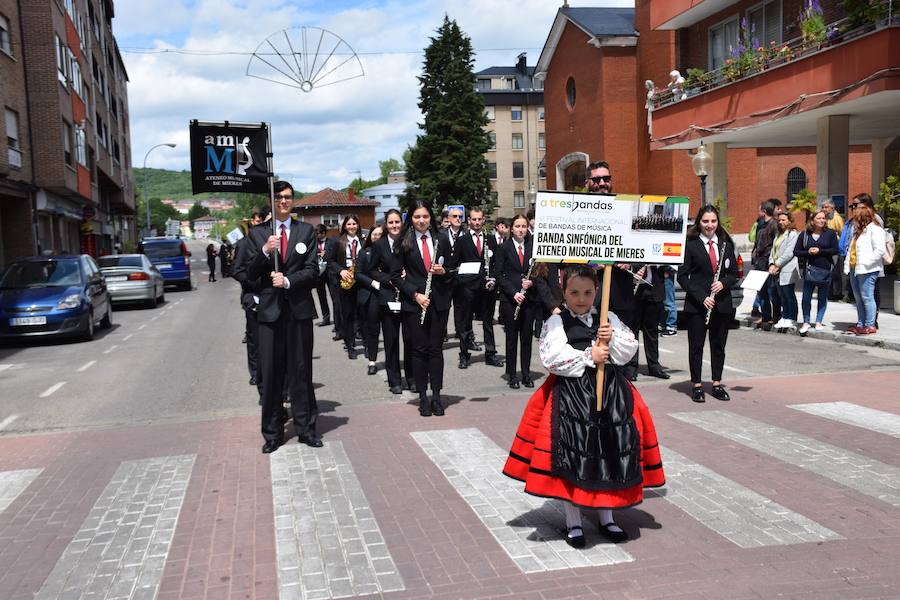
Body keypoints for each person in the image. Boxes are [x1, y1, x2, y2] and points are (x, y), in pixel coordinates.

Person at [502, 265, 665, 546]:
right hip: (572, 396)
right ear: (564, 292)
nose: (581, 298)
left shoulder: (608, 318)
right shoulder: (557, 321)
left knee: (608, 453)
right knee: (574, 455)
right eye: (574, 292)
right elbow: (552, 358)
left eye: (588, 292)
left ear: (597, 293)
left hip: (610, 396)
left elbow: (628, 350)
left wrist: (611, 339)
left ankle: (607, 518)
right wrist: (591, 354)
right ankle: (574, 522)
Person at [245, 181, 321, 453]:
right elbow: (249, 274)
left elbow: (313, 271)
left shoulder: (305, 231)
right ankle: (273, 433)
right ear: (272, 200)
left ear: (293, 201)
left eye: (288, 197)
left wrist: (288, 281)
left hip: (298, 311)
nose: (284, 201)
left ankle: (306, 428)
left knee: (301, 372)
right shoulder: (257, 234)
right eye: (279, 197)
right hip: (269, 313)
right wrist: (265, 251)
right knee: (272, 374)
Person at [392, 200, 456, 416]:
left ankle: (437, 396)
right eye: (417, 217)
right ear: (411, 218)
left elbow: (453, 269)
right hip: (415, 303)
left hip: (438, 302)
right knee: (419, 352)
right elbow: (394, 275)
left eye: (425, 217)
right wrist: (415, 294)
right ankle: (422, 397)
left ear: (431, 218)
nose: (421, 221)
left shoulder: (442, 239)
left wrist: (443, 271)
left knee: (436, 350)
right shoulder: (404, 242)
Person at [677, 205, 739, 403]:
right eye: (705, 221)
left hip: (721, 304)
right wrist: (701, 296)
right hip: (698, 305)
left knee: (718, 345)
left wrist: (724, 283)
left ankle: (717, 383)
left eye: (713, 221)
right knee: (696, 346)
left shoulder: (725, 244)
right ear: (699, 223)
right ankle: (696, 384)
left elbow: (733, 274)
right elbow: (682, 276)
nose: (709, 225)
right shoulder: (691, 244)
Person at [366, 209, 406, 394]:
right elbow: (372, 270)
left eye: (397, 222)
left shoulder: (409, 241)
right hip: (388, 296)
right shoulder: (379, 245)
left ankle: (412, 378)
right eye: (391, 223)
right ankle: (394, 380)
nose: (394, 226)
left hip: (408, 296)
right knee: (391, 341)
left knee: (411, 340)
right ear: (386, 225)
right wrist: (388, 279)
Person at [497, 214, 537, 389]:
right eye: (517, 226)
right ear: (511, 228)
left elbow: (540, 271)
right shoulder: (504, 248)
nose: (521, 229)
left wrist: (532, 281)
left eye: (524, 226)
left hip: (529, 300)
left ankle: (526, 374)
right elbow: (499, 274)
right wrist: (513, 292)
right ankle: (512, 375)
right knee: (512, 338)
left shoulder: (533, 247)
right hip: (510, 300)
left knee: (527, 338)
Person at [793, 210, 839, 334]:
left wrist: (820, 251)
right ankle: (806, 321)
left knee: (822, 297)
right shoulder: (804, 234)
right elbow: (796, 252)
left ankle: (819, 321)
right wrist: (808, 252)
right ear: (812, 220)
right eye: (819, 218)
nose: (822, 220)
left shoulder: (830, 233)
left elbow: (835, 249)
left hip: (825, 270)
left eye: (823, 218)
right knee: (806, 298)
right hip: (809, 270)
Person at [232, 211, 264, 391]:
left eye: (262, 221)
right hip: (253, 298)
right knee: (254, 340)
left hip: (273, 298)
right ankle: (255, 373)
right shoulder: (244, 243)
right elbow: (236, 271)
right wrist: (255, 282)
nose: (259, 223)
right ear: (252, 222)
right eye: (257, 221)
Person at [844, 204, 885, 335]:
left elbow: (880, 251)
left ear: (862, 218)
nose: (854, 221)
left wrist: (866, 263)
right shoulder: (858, 232)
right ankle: (861, 323)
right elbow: (851, 250)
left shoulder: (876, 230)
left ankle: (870, 324)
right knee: (858, 298)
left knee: (867, 296)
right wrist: (847, 266)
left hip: (867, 269)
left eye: (856, 218)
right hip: (854, 268)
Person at [625, 264, 671, 380]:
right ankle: (631, 366)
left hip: (653, 288)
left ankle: (654, 365)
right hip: (633, 286)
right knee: (632, 331)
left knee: (652, 331)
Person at [327, 215, 363, 359]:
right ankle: (350, 345)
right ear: (344, 226)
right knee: (347, 314)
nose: (352, 226)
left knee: (361, 313)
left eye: (354, 223)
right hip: (345, 280)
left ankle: (366, 342)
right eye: (349, 224)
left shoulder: (363, 240)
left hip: (361, 279)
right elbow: (330, 261)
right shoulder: (337, 241)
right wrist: (341, 271)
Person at [355, 225, 385, 375]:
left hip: (388, 293)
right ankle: (372, 361)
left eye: (380, 234)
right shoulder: (364, 252)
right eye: (374, 234)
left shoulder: (390, 251)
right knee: (373, 330)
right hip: (370, 294)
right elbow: (358, 274)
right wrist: (373, 283)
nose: (377, 236)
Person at [769, 210, 801, 330]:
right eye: (780, 220)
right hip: (777, 269)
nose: (781, 222)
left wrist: (776, 264)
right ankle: (785, 316)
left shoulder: (792, 234)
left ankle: (791, 318)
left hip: (787, 268)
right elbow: (773, 251)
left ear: (789, 221)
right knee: (782, 295)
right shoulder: (778, 234)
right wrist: (771, 263)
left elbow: (789, 253)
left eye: (784, 220)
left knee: (789, 294)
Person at [751, 201, 779, 327]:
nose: (758, 212)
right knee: (761, 291)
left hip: (768, 260)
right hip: (759, 261)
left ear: (764, 211)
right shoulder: (761, 224)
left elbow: (774, 244)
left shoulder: (774, 225)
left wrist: (772, 262)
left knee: (771, 290)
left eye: (759, 210)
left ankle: (776, 316)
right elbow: (757, 242)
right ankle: (765, 315)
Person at [822, 200, 846, 301]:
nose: (824, 209)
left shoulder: (837, 218)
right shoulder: (826, 218)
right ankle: (829, 292)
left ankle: (837, 293)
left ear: (832, 208)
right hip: (826, 249)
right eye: (823, 207)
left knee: (835, 272)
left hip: (835, 250)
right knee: (828, 271)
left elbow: (842, 234)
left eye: (826, 207)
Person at [313, 224, 334, 327]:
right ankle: (326, 318)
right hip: (319, 274)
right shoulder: (313, 243)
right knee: (321, 296)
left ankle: (338, 321)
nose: (318, 235)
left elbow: (334, 255)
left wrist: (325, 255)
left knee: (334, 296)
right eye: (316, 233)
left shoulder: (332, 242)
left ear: (325, 233)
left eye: (320, 233)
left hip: (330, 273)